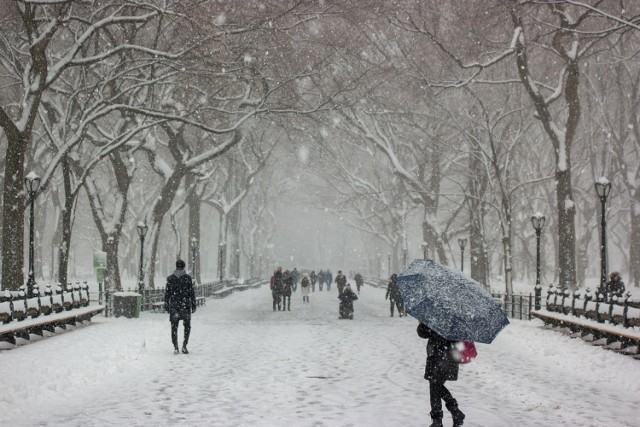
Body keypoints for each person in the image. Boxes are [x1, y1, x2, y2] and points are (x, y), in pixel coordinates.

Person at [417, 323, 465, 427]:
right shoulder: (456, 318)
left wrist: (422, 324)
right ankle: (454, 412)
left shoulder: (435, 316)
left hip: (438, 357)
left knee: (434, 386)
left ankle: (438, 421)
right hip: (450, 356)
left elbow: (423, 333)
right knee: (436, 386)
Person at [164, 259, 196, 355]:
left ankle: (175, 347)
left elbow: (167, 293)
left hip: (174, 306)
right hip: (185, 306)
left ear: (176, 266)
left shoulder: (170, 279)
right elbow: (191, 293)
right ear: (184, 267)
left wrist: (166, 303)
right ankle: (184, 346)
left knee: (174, 327)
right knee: (187, 326)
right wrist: (193, 304)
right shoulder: (188, 278)